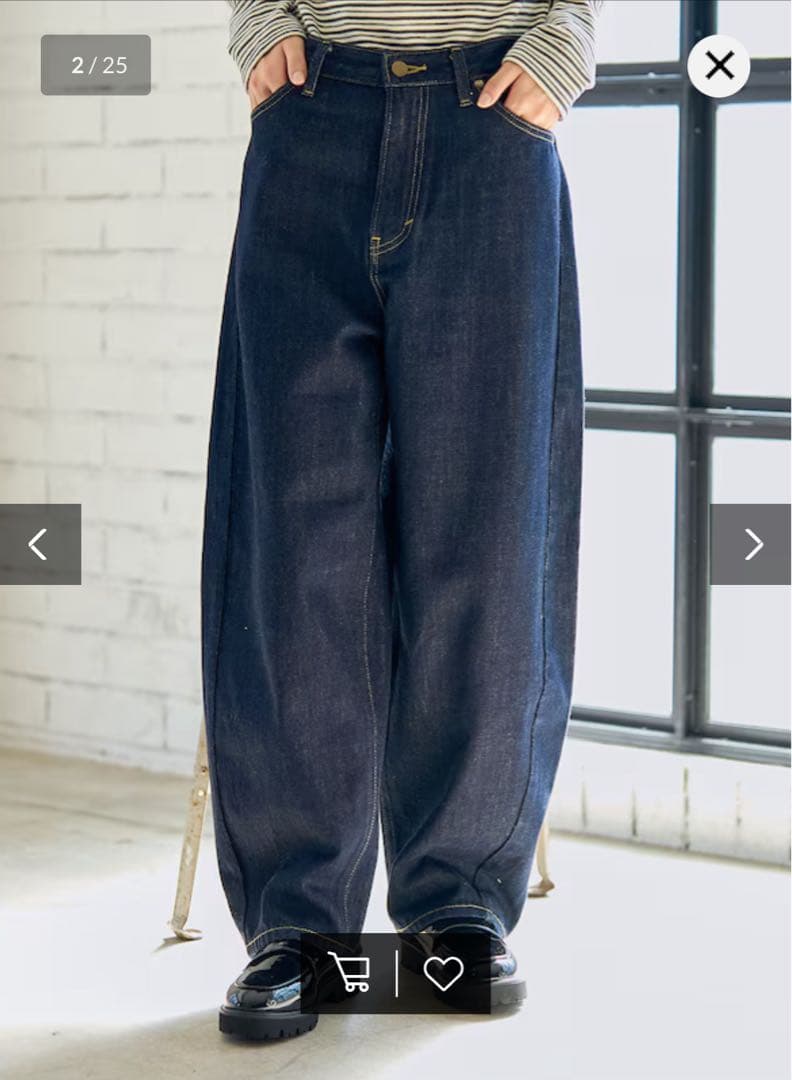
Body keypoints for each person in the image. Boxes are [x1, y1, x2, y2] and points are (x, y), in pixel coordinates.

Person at [202, 0, 600, 1041]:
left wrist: (568, 36)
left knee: (486, 534)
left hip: (495, 111)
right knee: (292, 542)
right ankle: (297, 924)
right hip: (312, 106)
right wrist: (259, 22)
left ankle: (457, 904)